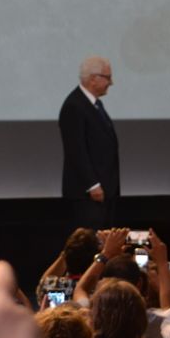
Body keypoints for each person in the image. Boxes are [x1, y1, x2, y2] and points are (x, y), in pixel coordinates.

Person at [59, 56, 121, 228]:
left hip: (104, 191)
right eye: (108, 77)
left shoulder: (94, 104)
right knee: (91, 245)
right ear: (93, 79)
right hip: (87, 195)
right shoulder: (74, 105)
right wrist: (92, 185)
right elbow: (76, 150)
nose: (111, 83)